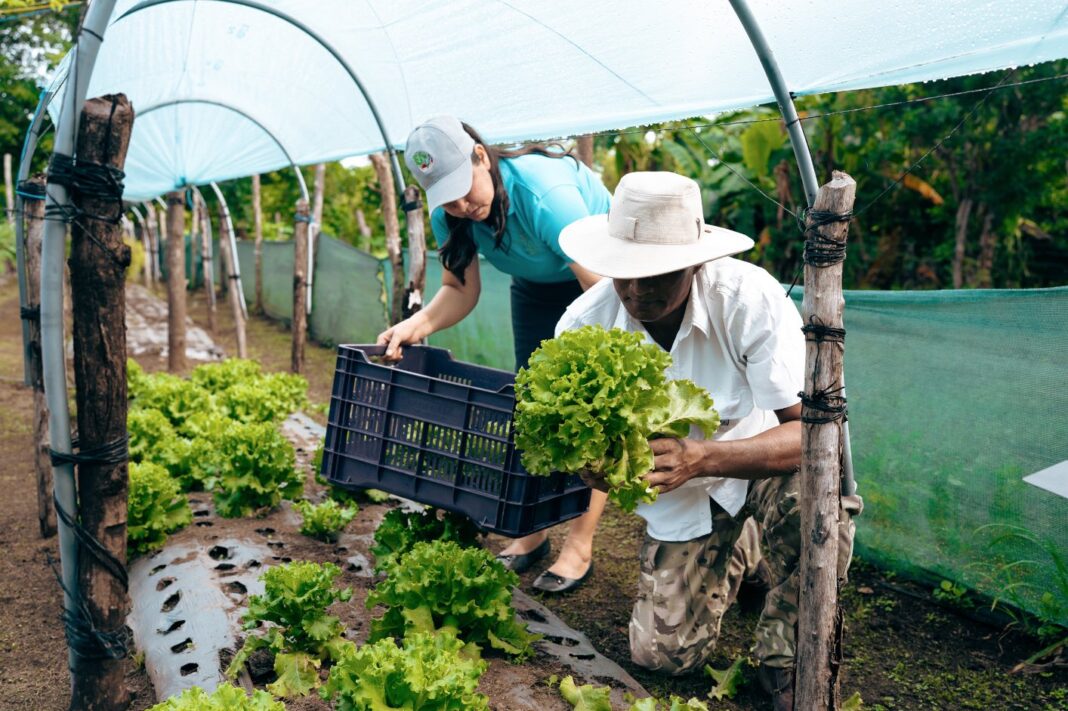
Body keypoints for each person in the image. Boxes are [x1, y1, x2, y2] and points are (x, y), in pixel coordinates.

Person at [554, 171, 862, 710]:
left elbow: (818, 437)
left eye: (656, 274)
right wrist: (595, 466)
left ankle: (781, 658)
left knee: (821, 506)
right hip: (684, 500)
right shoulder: (584, 325)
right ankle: (740, 551)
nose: (635, 290)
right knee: (661, 656)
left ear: (697, 262)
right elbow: (582, 449)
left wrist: (705, 457)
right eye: (624, 273)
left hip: (761, 461)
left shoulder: (747, 298)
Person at [377, 115, 609, 592]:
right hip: (536, 290)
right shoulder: (452, 216)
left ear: (481, 155)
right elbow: (459, 288)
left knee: (592, 413)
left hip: (602, 284)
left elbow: (602, 286)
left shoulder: (544, 195)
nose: (461, 205)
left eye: (464, 187)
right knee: (533, 412)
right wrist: (414, 325)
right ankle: (531, 533)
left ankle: (579, 545)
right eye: (447, 198)